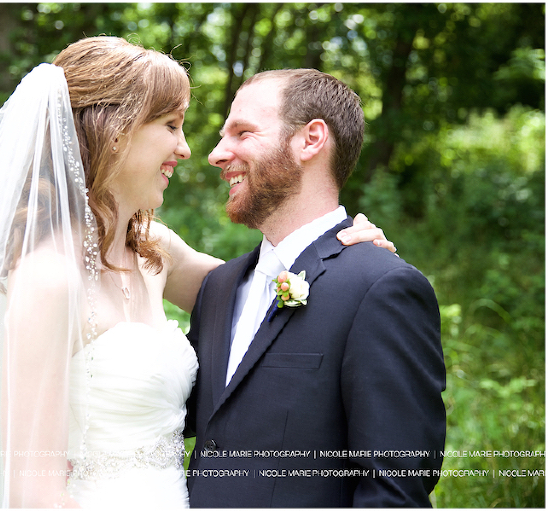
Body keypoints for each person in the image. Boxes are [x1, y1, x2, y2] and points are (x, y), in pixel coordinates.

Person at [0, 37, 395, 509]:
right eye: (171, 125)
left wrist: (343, 250)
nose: (188, 149)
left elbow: (268, 296)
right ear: (116, 131)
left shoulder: (156, 249)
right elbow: (33, 493)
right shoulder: (49, 278)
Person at [185, 69, 446, 507]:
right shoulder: (218, 287)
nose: (215, 154)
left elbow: (394, 491)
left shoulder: (380, 287)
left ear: (310, 140)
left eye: (242, 132)